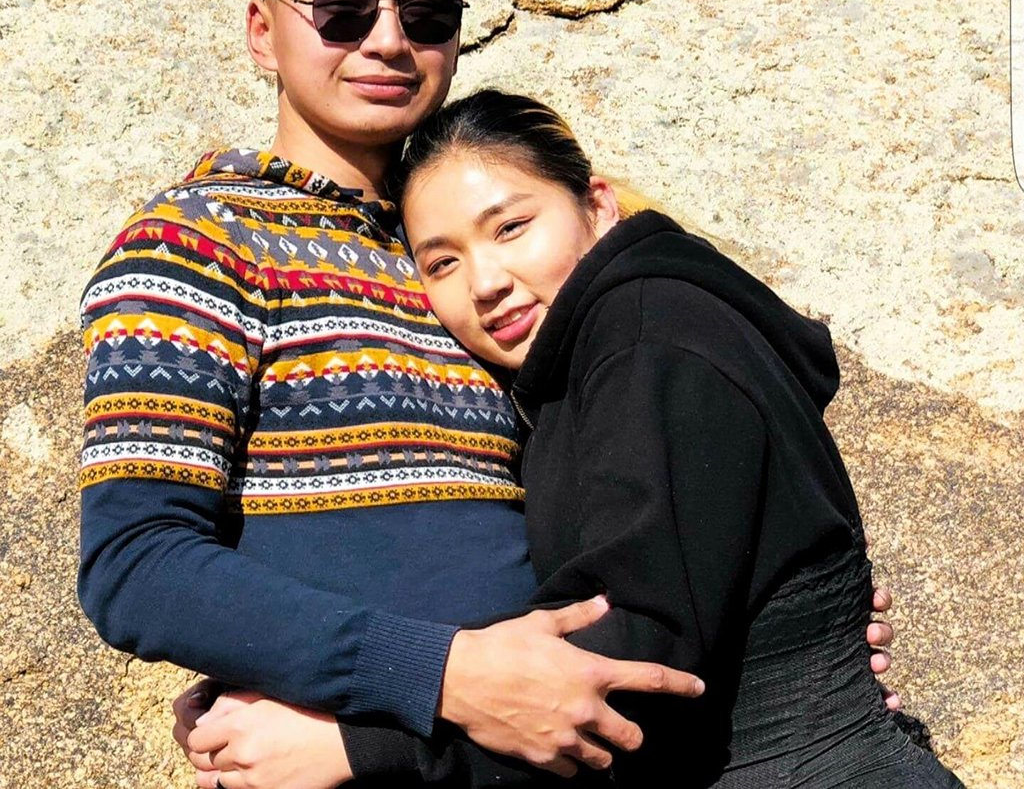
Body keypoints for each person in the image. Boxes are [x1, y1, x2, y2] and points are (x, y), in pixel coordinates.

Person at [78, 0, 894, 786]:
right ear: (263, 32)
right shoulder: (198, 240)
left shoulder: (488, 263)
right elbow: (136, 565)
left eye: (426, 13)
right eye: (343, 11)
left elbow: (638, 500)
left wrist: (783, 647)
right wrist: (431, 676)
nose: (388, 40)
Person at [178, 94, 938, 789]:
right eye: (442, 262)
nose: (486, 281)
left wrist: (349, 746)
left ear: (597, 205)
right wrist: (273, 683)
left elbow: (635, 654)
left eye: (511, 227)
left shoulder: (649, 336)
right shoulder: (593, 362)